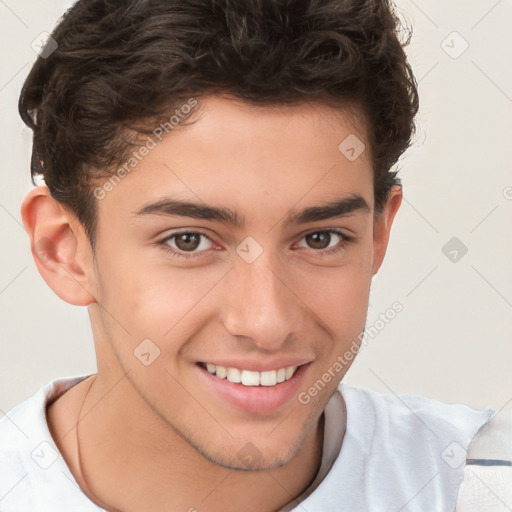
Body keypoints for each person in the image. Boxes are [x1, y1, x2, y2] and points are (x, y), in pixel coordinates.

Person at [0, 0, 506, 511]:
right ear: (62, 249)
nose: (267, 323)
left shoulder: (482, 490)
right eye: (189, 241)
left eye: (320, 238)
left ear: (378, 234)